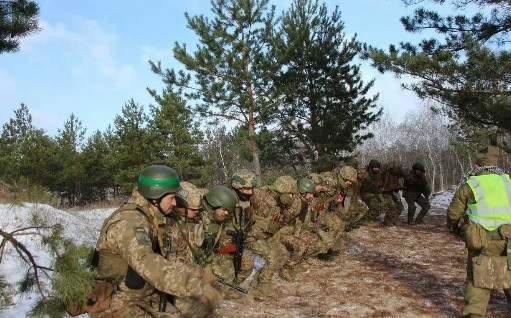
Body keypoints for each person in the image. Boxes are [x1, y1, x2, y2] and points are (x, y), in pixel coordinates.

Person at [91, 165, 220, 318]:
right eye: (171, 198)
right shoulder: (129, 222)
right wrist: (196, 286)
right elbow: (148, 263)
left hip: (142, 295)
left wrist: (200, 274)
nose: (174, 204)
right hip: (117, 301)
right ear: (155, 197)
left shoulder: (148, 218)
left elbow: (164, 258)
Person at [447, 146, 511, 317]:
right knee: (510, 271)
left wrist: (454, 229)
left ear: (477, 164)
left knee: (478, 278)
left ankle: (474, 314)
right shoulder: (508, 181)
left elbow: (454, 213)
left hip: (483, 239)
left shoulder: (470, 184)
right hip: (510, 237)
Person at [360, 159, 387, 226]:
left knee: (384, 205)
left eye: (378, 168)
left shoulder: (378, 174)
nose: (376, 169)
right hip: (365, 193)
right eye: (375, 168)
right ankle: (368, 220)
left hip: (375, 192)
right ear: (371, 167)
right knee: (375, 205)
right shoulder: (366, 174)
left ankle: (370, 216)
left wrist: (380, 185)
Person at [380, 161, 406, 226]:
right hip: (385, 192)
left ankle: (393, 219)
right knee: (392, 206)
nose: (395, 171)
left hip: (394, 192)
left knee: (400, 207)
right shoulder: (385, 172)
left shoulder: (400, 174)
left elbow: (406, 177)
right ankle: (387, 220)